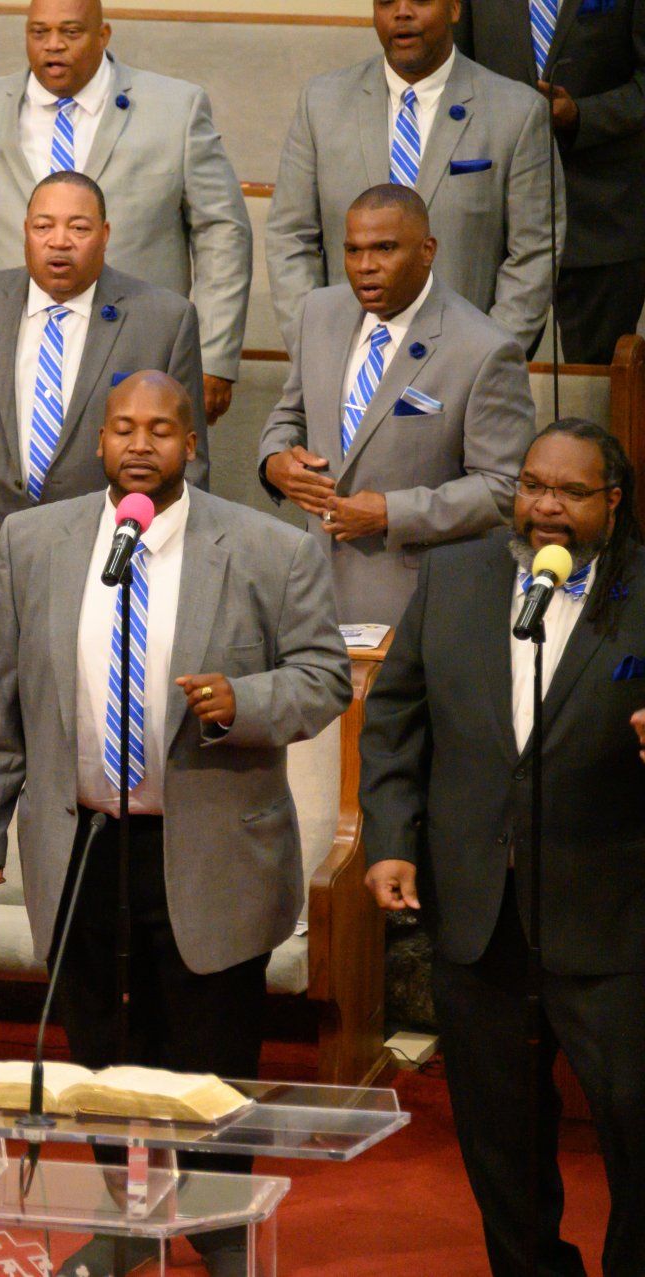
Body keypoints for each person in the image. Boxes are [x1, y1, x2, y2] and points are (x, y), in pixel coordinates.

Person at [0, 371, 350, 1277]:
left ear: (191, 444)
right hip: (82, 840)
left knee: (210, 1051)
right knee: (103, 1048)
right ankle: (126, 1218)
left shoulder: (270, 548)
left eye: (162, 429)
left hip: (212, 847)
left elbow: (325, 676)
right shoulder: (34, 540)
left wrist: (242, 701)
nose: (141, 444)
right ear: (99, 440)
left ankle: (218, 1221)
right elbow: (1, 691)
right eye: (124, 428)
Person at [361, 420, 645, 1276]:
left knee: (635, 1129)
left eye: (570, 491)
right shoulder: (457, 575)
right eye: (532, 486)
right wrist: (390, 839)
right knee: (499, 1139)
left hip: (613, 921)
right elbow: (395, 717)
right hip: (479, 916)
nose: (546, 506)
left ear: (613, 501)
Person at [0, 0, 250, 426]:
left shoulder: (176, 108)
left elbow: (222, 230)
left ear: (103, 35)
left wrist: (213, 354)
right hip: (0, 354)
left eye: (70, 32)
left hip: (139, 354)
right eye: (39, 32)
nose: (53, 45)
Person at [0, 171, 203, 602]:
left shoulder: (163, 320)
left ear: (105, 235)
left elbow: (189, 468)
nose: (59, 241)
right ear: (25, 232)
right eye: (43, 226)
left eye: (78, 228)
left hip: (112, 572)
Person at [259, 183, 533, 627]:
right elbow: (291, 413)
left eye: (384, 248)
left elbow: (505, 488)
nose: (365, 266)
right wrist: (274, 462)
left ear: (427, 250)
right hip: (314, 588)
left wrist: (392, 513)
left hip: (418, 599)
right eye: (353, 250)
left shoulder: (484, 349)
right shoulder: (318, 312)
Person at [266, 0, 558, 354]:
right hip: (343, 360)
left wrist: (485, 360)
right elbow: (290, 238)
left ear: (454, 8)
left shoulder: (518, 112)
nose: (401, 12)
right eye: (387, 2)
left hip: (465, 364)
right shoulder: (321, 104)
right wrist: (316, 349)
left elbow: (534, 254)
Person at [459, 0, 645, 364]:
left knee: (596, 385)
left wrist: (582, 115)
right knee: (483, 371)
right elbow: (454, 68)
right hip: (493, 213)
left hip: (602, 215)